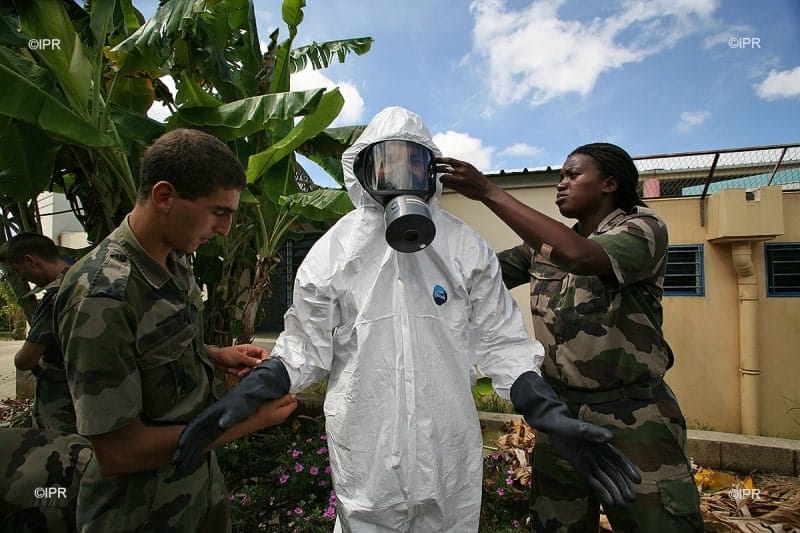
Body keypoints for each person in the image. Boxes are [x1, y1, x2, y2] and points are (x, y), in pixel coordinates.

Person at [172, 108, 640, 532]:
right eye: (385, 165)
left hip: (447, 458)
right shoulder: (334, 252)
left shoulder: (463, 247)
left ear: (431, 173)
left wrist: (548, 414)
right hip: (366, 456)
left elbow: (503, 346)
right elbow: (303, 349)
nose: (398, 178)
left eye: (412, 165)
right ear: (362, 173)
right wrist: (249, 395)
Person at [437, 143, 704, 531]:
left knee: (658, 523)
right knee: (556, 524)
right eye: (560, 176)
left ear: (610, 183)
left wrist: (488, 192)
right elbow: (475, 279)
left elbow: (580, 255)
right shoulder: (540, 249)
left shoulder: (642, 229)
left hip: (635, 419)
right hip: (562, 419)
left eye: (573, 175)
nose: (561, 184)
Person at [53, 128, 298, 532]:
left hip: (197, 493)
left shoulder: (175, 258)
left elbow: (154, 348)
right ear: (165, 197)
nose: (226, 227)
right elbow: (118, 452)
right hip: (139, 513)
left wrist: (214, 355)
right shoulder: (101, 297)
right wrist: (247, 422)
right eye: (219, 211)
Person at [0, 233, 76, 432]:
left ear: (31, 261)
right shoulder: (86, 280)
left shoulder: (55, 297)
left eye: (19, 271)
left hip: (63, 404)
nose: (22, 278)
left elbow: (25, 360)